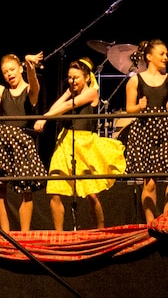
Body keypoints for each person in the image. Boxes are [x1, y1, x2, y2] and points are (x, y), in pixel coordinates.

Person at [35, 58, 126, 230]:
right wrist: (68, 92)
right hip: (65, 142)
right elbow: (58, 106)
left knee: (90, 194)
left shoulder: (92, 92)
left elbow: (69, 106)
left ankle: (100, 230)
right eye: (69, 77)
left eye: (76, 77)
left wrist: (44, 118)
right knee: (55, 189)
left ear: (86, 77)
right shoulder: (71, 92)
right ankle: (59, 235)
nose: (72, 81)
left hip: (84, 145)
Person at [121, 39, 168, 222]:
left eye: (166, 54)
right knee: (150, 183)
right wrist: (139, 107)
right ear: (149, 57)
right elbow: (129, 108)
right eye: (161, 53)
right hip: (144, 130)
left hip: (166, 130)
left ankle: (166, 218)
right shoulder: (135, 81)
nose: (166, 57)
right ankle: (151, 223)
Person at [0, 53, 46, 230]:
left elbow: (34, 83)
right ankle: (5, 236)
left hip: (22, 143)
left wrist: (29, 64)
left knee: (26, 191)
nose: (9, 74)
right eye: (5, 72)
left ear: (20, 69)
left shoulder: (29, 90)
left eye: (12, 69)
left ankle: (24, 235)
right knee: (0, 191)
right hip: (3, 143)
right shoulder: (3, 91)